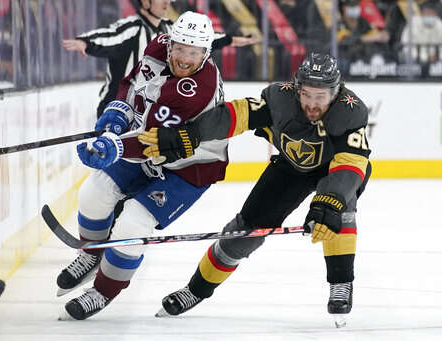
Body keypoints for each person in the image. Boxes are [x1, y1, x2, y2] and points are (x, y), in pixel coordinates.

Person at [138, 53, 372, 327]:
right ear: (297, 88)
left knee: (338, 213)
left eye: (320, 96)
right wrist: (193, 133)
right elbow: (235, 114)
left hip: (337, 169)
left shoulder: (350, 110)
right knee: (243, 233)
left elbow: (351, 163)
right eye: (306, 94)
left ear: (336, 92)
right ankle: (195, 290)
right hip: (290, 168)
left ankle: (341, 283)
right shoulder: (279, 98)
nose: (312, 103)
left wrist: (330, 201)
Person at [58, 11, 230, 321]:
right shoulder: (156, 46)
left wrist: (115, 145)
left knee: (133, 224)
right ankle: (91, 252)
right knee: (93, 193)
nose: (184, 58)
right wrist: (120, 110)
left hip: (189, 166)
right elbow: (133, 83)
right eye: (179, 48)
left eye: (193, 52)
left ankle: (103, 291)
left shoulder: (195, 90)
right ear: (170, 43)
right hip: (148, 145)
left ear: (206, 53)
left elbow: (154, 140)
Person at [62, 0, 259, 118]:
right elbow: (110, 36)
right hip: (117, 107)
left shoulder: (169, 28)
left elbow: (198, 41)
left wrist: (228, 39)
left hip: (148, 108)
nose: (167, 3)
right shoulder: (132, 28)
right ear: (145, 2)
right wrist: (86, 42)